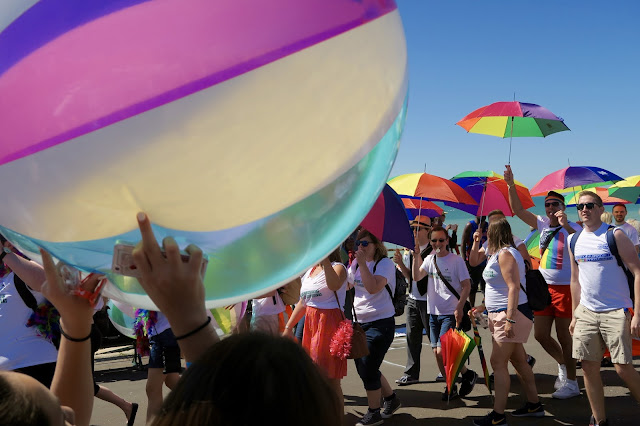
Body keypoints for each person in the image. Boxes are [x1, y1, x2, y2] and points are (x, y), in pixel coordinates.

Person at [505, 165, 581, 399]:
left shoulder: (574, 227)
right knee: (540, 335)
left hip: (566, 289)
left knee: (564, 336)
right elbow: (517, 209)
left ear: (563, 207)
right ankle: (563, 365)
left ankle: (572, 382)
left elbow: (578, 243)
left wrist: (566, 223)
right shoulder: (541, 223)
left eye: (555, 204)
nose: (550, 208)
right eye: (547, 204)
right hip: (544, 288)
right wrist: (510, 185)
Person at [568, 191, 640, 426]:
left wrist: (637, 313)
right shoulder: (574, 240)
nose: (584, 210)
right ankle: (599, 420)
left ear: (600, 209)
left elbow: (637, 272)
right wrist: (574, 315)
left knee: (622, 368)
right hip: (586, 312)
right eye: (580, 207)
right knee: (588, 368)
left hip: (616, 310)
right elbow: (575, 279)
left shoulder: (614, 235)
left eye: (590, 205)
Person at [471, 218, 542, 426]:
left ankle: (498, 415)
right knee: (519, 360)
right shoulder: (494, 253)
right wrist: (483, 307)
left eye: (486, 232)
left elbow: (513, 287)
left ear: (493, 234)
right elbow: (478, 266)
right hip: (498, 313)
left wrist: (510, 319)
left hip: (510, 314)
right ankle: (534, 403)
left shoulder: (505, 255)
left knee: (498, 363)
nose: (484, 235)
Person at [412, 226, 477, 400]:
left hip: (450, 312)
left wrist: (459, 307)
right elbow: (417, 277)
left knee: (442, 351)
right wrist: (416, 255)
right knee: (437, 353)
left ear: (447, 240)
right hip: (432, 312)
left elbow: (466, 286)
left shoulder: (456, 261)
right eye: (434, 241)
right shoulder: (430, 259)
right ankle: (453, 384)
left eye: (441, 240)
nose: (438, 244)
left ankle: (462, 376)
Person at [283, 249, 348, 415]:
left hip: (329, 323)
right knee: (315, 376)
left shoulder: (338, 267)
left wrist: (325, 260)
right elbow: (303, 302)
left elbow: (334, 285)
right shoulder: (310, 272)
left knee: (331, 380)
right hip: (311, 325)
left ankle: (337, 420)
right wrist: (288, 327)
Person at [348, 228, 401, 426]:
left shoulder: (384, 264)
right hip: (360, 323)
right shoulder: (355, 263)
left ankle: (374, 411)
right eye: (358, 244)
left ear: (376, 245)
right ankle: (391, 399)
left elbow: (372, 287)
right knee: (366, 367)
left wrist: (361, 264)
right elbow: (347, 284)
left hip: (381, 323)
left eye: (365, 244)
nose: (360, 247)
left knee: (368, 367)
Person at [0, 236, 58, 388]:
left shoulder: (21, 272)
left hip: (34, 366)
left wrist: (3, 253)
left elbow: (44, 282)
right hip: (5, 375)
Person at [393, 215, 435, 386]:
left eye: (418, 229)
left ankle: (448, 370)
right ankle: (411, 373)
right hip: (413, 298)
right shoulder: (410, 250)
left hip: (430, 300)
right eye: (412, 229)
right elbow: (411, 277)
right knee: (412, 337)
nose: (414, 232)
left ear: (428, 230)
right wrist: (401, 264)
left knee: (435, 340)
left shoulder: (433, 251)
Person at [145, 311, 182, 422]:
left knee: (152, 389)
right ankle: (204, 402)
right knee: (172, 381)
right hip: (161, 333)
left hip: (165, 335)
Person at [461, 216, 487, 306]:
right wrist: (464, 260)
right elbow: (463, 243)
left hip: (485, 261)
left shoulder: (488, 226)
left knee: (485, 286)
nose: (482, 216)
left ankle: (485, 307)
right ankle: (472, 307)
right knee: (473, 286)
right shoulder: (470, 225)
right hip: (471, 261)